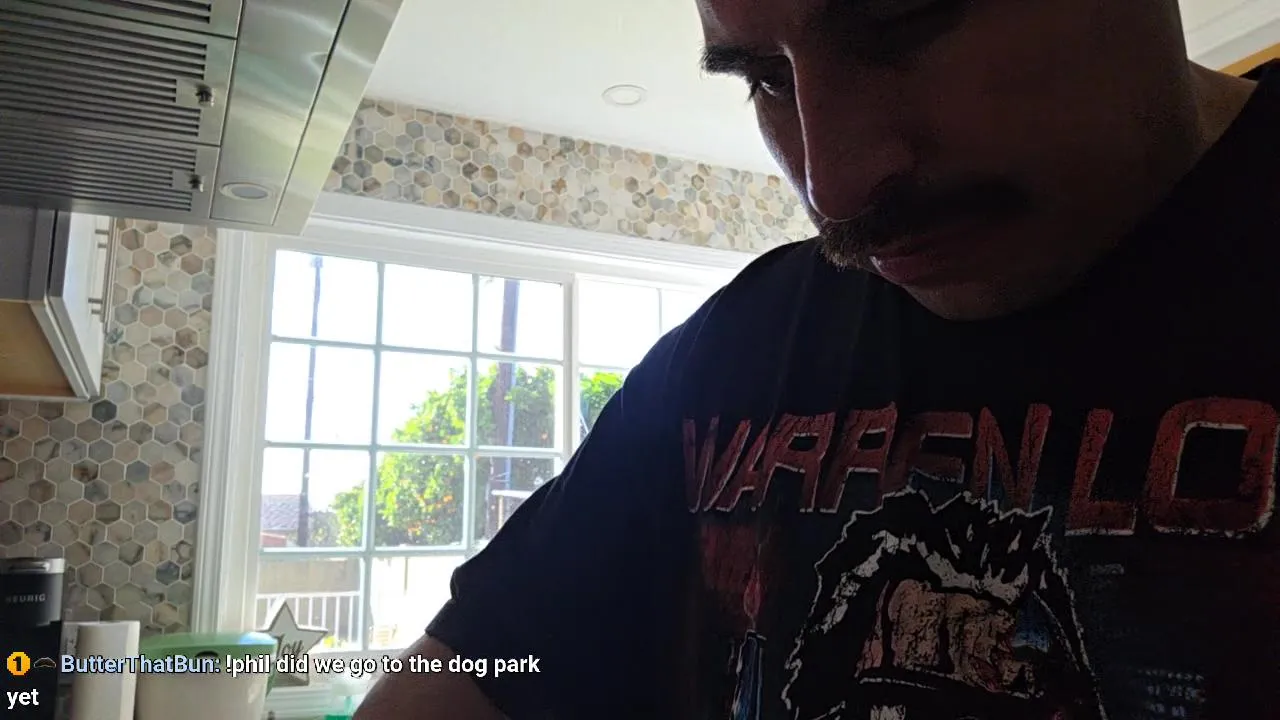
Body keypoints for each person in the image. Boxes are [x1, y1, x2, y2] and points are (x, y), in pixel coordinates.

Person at [356, 0, 1280, 716]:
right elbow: (471, 674)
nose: (832, 187)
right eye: (765, 78)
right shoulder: (731, 350)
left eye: (904, 21)